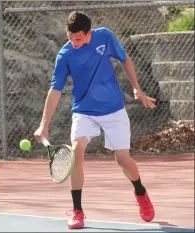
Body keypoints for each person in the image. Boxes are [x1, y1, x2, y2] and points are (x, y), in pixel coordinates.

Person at [34, 11, 156, 229]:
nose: (75, 43)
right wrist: (45, 123)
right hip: (84, 110)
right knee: (76, 152)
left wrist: (137, 89)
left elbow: (125, 59)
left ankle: (140, 191)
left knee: (123, 161)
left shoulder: (105, 37)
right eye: (71, 38)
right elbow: (55, 90)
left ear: (89, 34)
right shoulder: (65, 55)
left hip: (113, 108)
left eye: (79, 38)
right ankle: (78, 211)